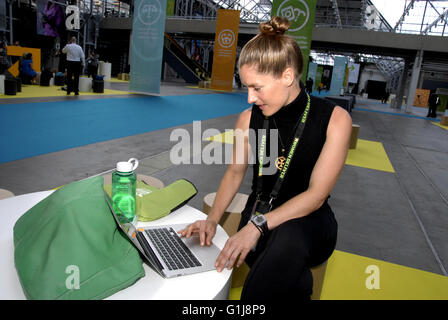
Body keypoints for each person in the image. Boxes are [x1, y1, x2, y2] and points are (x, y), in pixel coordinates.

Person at [179, 16, 352, 301]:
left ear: (286, 76)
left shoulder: (334, 119)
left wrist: (256, 227)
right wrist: (211, 220)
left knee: (288, 240)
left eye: (256, 87)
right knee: (293, 281)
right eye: (245, 86)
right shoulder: (248, 119)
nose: (249, 98)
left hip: (310, 223)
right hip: (258, 212)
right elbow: (235, 173)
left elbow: (316, 196)